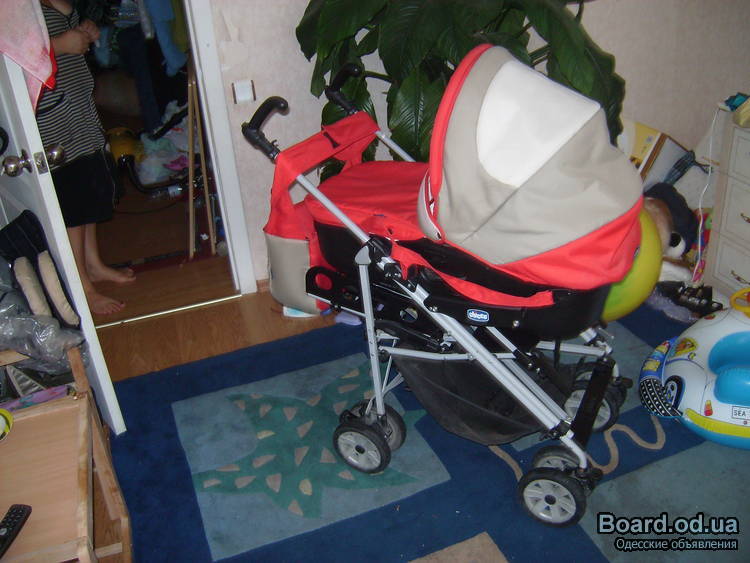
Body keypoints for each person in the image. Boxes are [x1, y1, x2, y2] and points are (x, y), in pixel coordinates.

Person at [36, 0, 135, 315]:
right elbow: (13, 53)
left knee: (90, 190)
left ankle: (93, 265)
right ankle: (82, 288)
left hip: (77, 109)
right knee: (73, 201)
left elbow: (64, 28)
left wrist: (83, 31)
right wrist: (59, 45)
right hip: (52, 115)